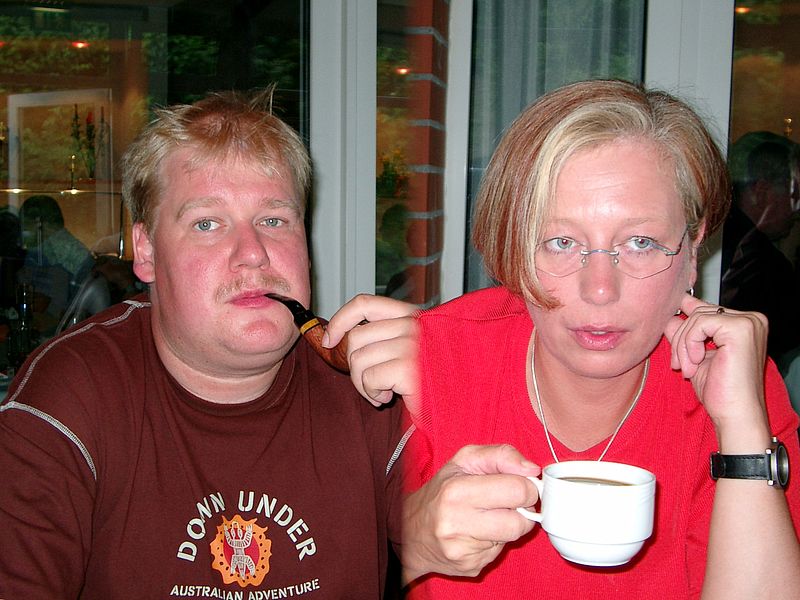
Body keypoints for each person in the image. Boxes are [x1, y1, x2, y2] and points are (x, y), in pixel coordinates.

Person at [0, 89, 417, 599]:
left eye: (273, 220)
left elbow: (462, 557)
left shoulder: (366, 379)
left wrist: (456, 393)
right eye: (207, 223)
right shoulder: (70, 394)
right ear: (146, 251)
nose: (253, 254)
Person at [399, 80, 800, 598]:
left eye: (640, 242)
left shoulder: (734, 379)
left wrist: (741, 430)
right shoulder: (430, 363)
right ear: (516, 247)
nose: (600, 290)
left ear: (692, 246)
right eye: (562, 241)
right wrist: (409, 545)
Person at [720, 131, 800, 361]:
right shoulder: (763, 263)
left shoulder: (719, 232)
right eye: (795, 195)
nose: (798, 210)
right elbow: (787, 342)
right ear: (762, 191)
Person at [17, 194, 95, 330]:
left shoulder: (60, 252)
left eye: (25, 225)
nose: (23, 232)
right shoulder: (50, 249)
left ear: (39, 223)